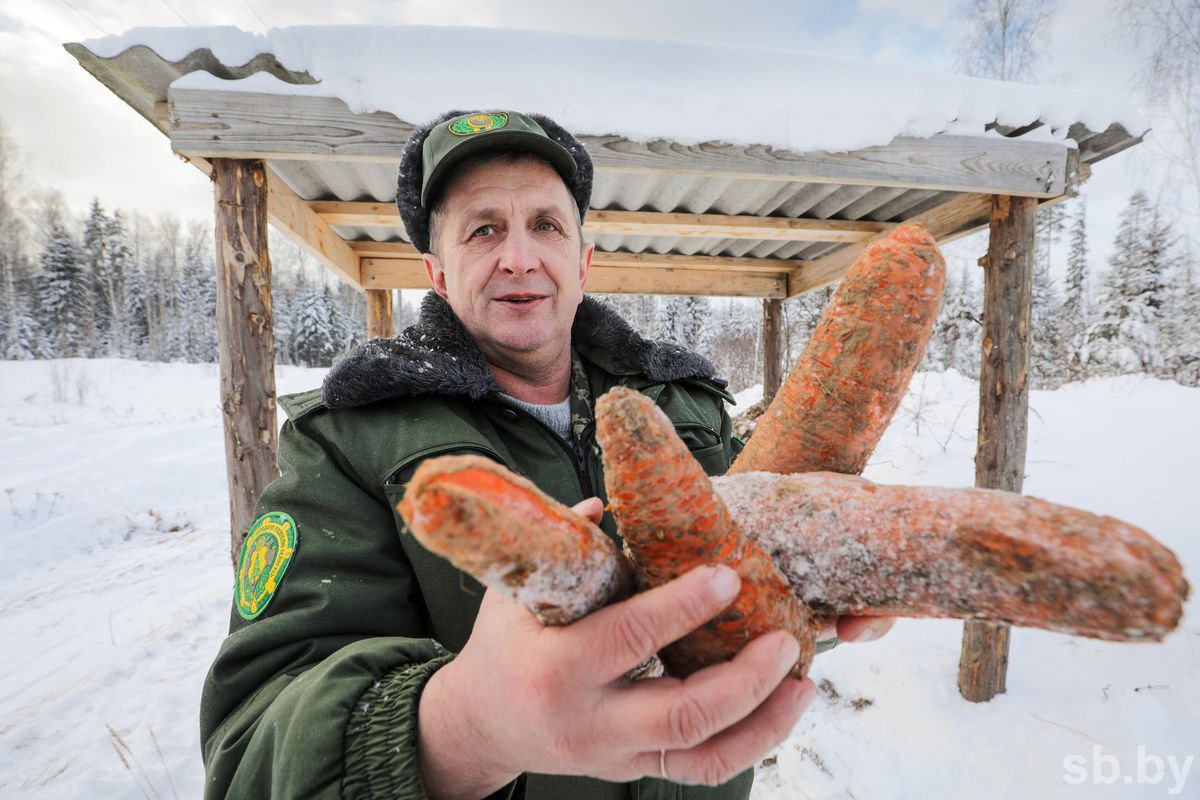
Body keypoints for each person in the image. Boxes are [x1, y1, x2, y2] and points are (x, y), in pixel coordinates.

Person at [199, 109, 894, 800]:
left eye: (546, 225)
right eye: (483, 230)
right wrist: (463, 728)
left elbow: (763, 577)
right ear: (437, 273)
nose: (519, 258)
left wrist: (811, 580)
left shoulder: (687, 406)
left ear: (582, 262)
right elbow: (249, 750)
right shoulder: (348, 442)